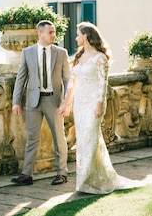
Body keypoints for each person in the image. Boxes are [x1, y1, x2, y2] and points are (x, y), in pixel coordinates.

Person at [70, 21, 140, 194]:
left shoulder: (100, 58)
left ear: (86, 36)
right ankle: (92, 177)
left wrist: (99, 106)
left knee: (90, 139)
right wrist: (66, 104)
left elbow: (102, 84)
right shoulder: (78, 57)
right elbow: (73, 83)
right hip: (79, 103)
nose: (76, 37)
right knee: (83, 140)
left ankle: (85, 180)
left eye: (78, 34)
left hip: (94, 103)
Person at [11, 20, 72, 186]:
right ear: (40, 34)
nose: (54, 35)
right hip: (33, 102)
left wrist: (66, 103)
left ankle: (62, 173)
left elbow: (68, 80)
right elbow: (21, 78)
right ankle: (26, 174)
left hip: (54, 101)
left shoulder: (61, 53)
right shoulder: (27, 52)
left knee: (59, 138)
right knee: (32, 138)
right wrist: (16, 101)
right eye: (50, 32)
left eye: (54, 32)